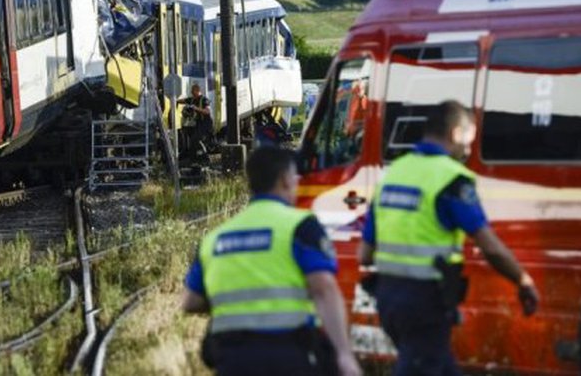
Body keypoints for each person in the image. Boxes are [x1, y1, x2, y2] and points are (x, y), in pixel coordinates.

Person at [358, 100, 540, 376]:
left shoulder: (393, 175)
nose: (469, 150)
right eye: (469, 140)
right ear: (456, 134)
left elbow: (364, 254)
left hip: (389, 298)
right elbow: (488, 244)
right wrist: (522, 280)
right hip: (426, 302)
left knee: (439, 366)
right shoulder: (451, 179)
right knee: (422, 366)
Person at [182, 146, 361, 376]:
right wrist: (344, 354)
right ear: (285, 180)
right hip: (289, 355)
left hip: (232, 360)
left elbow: (190, 301)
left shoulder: (214, 238)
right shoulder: (300, 226)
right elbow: (324, 289)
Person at [178, 83, 213, 157]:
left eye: (193, 92)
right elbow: (183, 101)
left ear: (197, 91)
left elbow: (207, 111)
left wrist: (196, 108)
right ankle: (190, 155)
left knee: (195, 139)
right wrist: (176, 101)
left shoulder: (204, 100)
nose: (192, 93)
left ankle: (204, 155)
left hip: (205, 124)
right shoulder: (192, 99)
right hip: (198, 123)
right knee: (188, 135)